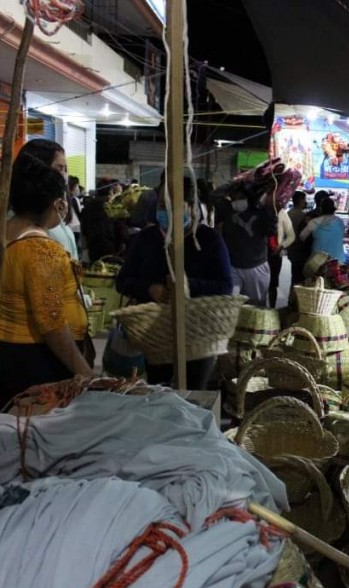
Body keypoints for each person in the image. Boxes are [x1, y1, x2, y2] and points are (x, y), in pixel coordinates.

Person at [116, 176, 233, 390]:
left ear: (190, 207)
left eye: (174, 206)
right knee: (158, 391)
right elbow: (123, 281)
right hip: (154, 335)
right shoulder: (146, 239)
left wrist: (190, 286)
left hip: (198, 335)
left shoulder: (209, 240)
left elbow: (225, 286)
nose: (166, 211)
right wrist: (148, 288)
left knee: (193, 393)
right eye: (162, 205)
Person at [0, 154, 94, 402]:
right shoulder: (41, 251)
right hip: (36, 361)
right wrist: (84, 370)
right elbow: (51, 325)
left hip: (11, 355)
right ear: (57, 204)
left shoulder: (6, 235)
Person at [220, 189, 277, 306]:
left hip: (256, 266)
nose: (236, 200)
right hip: (233, 266)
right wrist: (231, 185)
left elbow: (271, 230)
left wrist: (271, 212)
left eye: (239, 197)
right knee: (231, 307)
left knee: (255, 309)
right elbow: (214, 196)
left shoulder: (261, 212)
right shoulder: (228, 210)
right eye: (234, 197)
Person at [300, 195, 346, 263]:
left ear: (321, 209)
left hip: (318, 262)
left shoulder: (314, 222)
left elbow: (302, 236)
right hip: (338, 261)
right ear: (333, 208)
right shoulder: (340, 222)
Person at [267, 205, 296, 308]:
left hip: (275, 253)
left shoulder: (282, 214)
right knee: (258, 284)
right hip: (259, 253)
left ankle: (272, 309)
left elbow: (291, 236)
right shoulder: (260, 211)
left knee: (273, 284)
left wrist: (281, 246)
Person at [287, 191, 310, 286]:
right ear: (300, 200)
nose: (305, 202)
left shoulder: (288, 213)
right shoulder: (302, 216)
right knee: (299, 277)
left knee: (295, 274)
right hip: (300, 249)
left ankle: (292, 297)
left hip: (291, 248)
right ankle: (295, 297)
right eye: (304, 199)